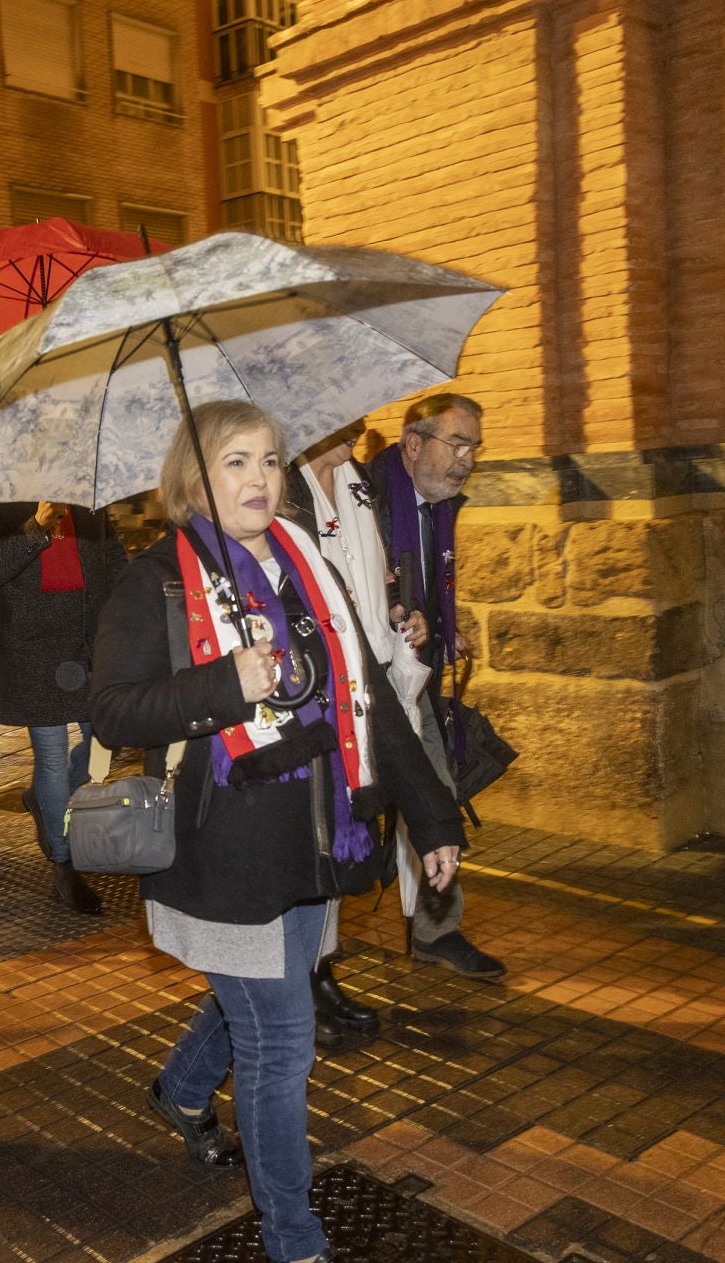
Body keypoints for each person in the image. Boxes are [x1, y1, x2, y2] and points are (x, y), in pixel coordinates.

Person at [92, 400, 465, 1263]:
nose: (259, 478)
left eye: (269, 459)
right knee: (281, 1038)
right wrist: (227, 682)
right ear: (193, 479)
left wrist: (431, 816)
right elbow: (112, 711)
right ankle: (294, 1237)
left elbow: (367, 691)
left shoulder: (309, 566)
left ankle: (183, 1089)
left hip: (316, 829)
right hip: (224, 844)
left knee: (277, 989)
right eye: (234, 462)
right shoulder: (156, 581)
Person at [288, 421, 464, 1044]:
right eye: (346, 423)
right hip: (323, 685)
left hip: (370, 672)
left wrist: (398, 612)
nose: (359, 433)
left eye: (361, 423)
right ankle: (302, 980)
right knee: (323, 829)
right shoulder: (290, 489)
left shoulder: (357, 484)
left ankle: (321, 968)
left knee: (351, 829)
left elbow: (377, 572)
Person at [366, 392, 507, 980]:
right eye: (458, 443)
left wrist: (444, 628)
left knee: (434, 790)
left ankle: (435, 929)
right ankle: (313, 965)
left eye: (474, 446)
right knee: (424, 794)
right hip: (368, 678)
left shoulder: (434, 504)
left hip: (411, 672)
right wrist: (398, 607)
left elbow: (423, 579)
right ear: (414, 444)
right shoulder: (368, 500)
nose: (468, 458)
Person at [0, 501, 124, 915]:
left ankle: (43, 800)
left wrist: (123, 613)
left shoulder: (84, 493)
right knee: (52, 759)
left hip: (89, 639)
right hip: (32, 644)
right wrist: (37, 525)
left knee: (107, 742)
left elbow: (110, 556)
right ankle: (63, 861)